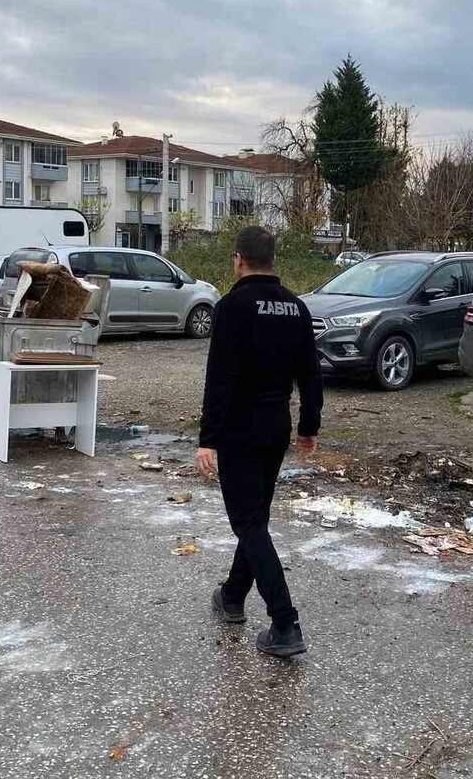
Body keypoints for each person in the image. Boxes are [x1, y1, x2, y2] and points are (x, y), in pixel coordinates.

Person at [198, 225, 322, 658]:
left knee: (249, 524)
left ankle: (285, 623)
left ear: (238, 259)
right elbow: (310, 374)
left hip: (238, 430)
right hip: (276, 429)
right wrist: (309, 427)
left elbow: (220, 378)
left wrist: (207, 438)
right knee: (255, 520)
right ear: (274, 260)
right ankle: (232, 596)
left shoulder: (232, 306)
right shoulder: (297, 308)